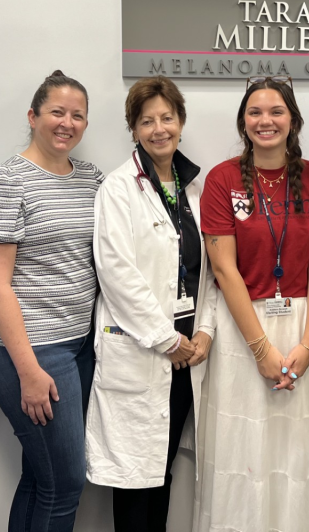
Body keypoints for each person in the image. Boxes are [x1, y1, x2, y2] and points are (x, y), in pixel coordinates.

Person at [195, 76, 309, 532]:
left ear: (293, 120)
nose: (266, 121)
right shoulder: (222, 180)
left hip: (305, 325)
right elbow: (224, 271)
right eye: (255, 112)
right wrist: (262, 350)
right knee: (245, 452)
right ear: (243, 122)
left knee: (301, 451)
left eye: (276, 111)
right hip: (244, 332)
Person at [0, 70, 103, 532]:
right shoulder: (5, 181)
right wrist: (28, 370)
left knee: (41, 475)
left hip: (79, 344)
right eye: (56, 112)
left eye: (77, 115)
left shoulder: (91, 179)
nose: (67, 123)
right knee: (64, 485)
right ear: (33, 116)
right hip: (26, 352)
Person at [86, 76, 217, 532]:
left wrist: (205, 331)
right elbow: (117, 274)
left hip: (187, 354)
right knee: (135, 479)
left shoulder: (196, 189)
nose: (159, 129)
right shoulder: (119, 189)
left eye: (167, 118)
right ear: (134, 129)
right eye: (147, 121)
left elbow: (213, 270)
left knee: (162, 471)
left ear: (181, 122)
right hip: (145, 348)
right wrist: (167, 339)